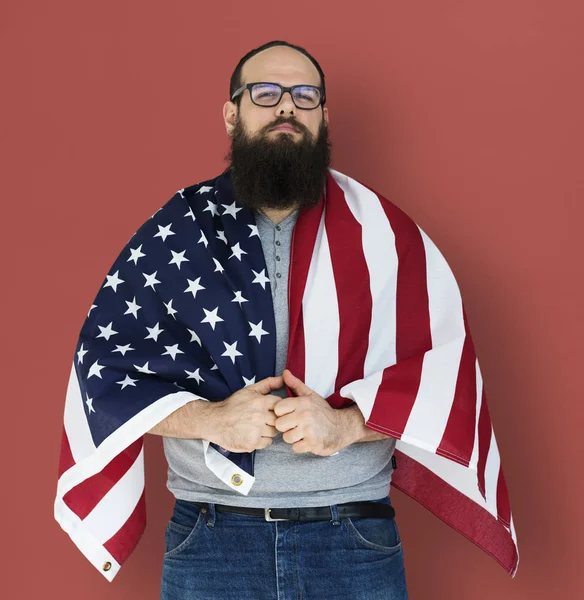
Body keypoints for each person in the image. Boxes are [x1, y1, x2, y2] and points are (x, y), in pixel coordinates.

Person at [55, 39, 519, 600]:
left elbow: (447, 380)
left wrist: (345, 426)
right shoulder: (175, 232)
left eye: (304, 96)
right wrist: (212, 420)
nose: (286, 108)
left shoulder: (387, 237)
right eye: (266, 93)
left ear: (324, 116)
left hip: (351, 539)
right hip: (212, 542)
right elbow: (103, 381)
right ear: (233, 113)